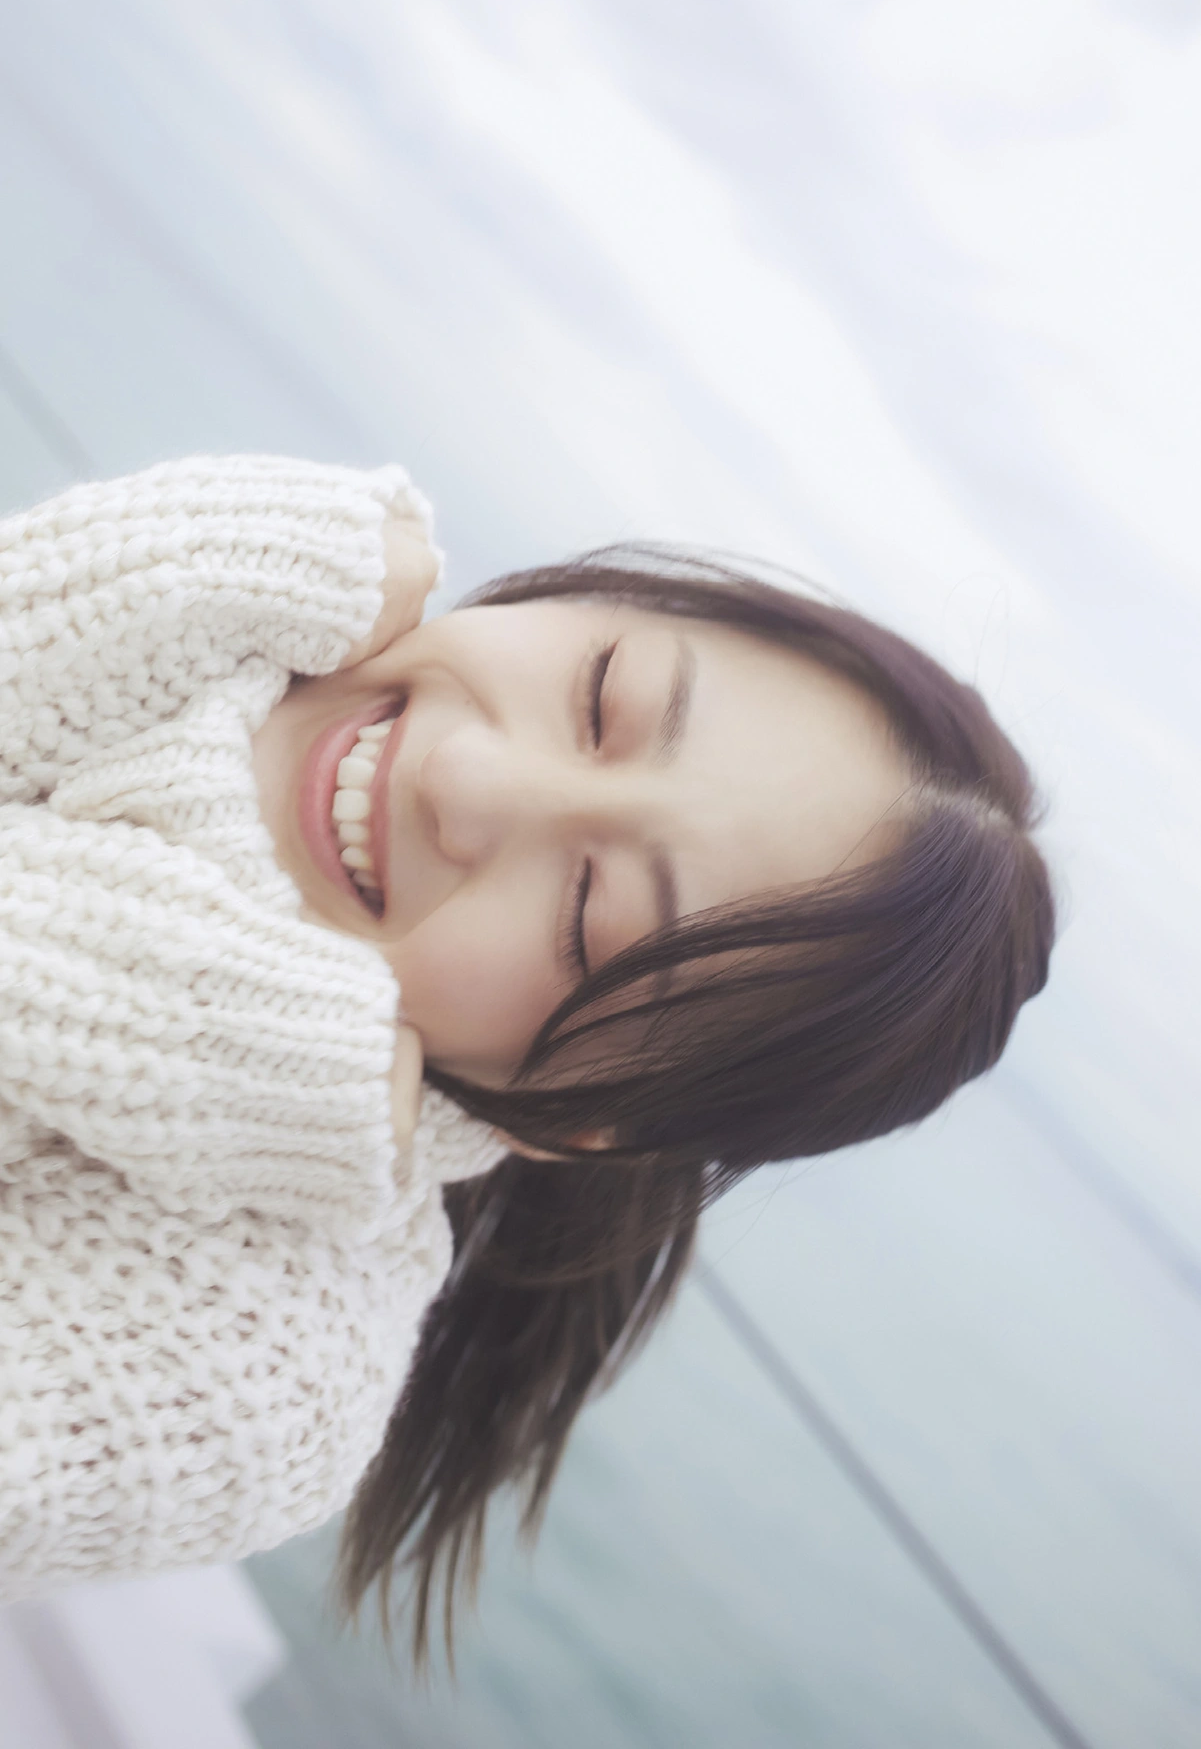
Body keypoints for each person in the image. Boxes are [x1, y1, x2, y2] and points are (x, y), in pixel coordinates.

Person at [0, 453, 1054, 1655]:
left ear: (566, 1115)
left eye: (585, 919)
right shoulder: (185, 637)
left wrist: (127, 1001)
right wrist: (105, 590)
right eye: (600, 696)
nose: (464, 774)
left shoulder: (247, 1371)